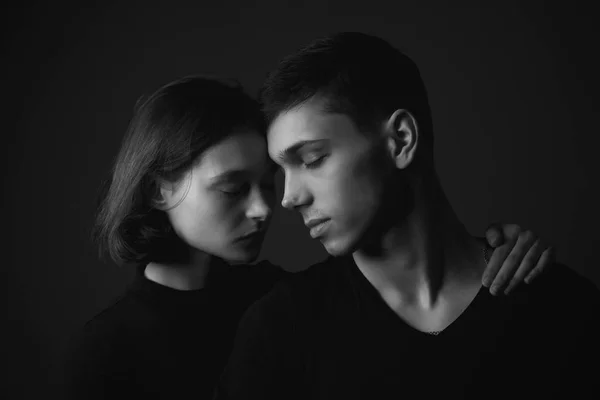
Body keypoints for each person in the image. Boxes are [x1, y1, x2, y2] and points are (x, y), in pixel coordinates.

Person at [65, 75, 551, 399]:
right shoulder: (108, 350)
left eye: (267, 185)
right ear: (158, 188)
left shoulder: (282, 302)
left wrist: (490, 251)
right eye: (233, 189)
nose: (264, 209)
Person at [215, 32, 600, 399]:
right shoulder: (280, 328)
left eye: (313, 159)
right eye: (282, 172)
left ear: (400, 139)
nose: (288, 197)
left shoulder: (563, 312)